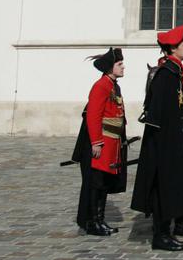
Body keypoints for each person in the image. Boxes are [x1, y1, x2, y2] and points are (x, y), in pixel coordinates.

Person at [131, 24, 183, 252]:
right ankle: (161, 234)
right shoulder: (165, 74)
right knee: (162, 186)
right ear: (173, 48)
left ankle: (166, 230)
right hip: (163, 141)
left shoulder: (174, 72)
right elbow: (157, 112)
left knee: (171, 185)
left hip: (174, 139)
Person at [71, 47, 127, 237]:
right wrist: (96, 142)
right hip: (101, 142)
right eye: (119, 64)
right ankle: (92, 221)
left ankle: (99, 219)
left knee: (103, 183)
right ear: (110, 67)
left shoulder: (113, 85)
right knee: (95, 183)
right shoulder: (101, 86)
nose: (123, 67)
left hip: (111, 142)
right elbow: (93, 115)